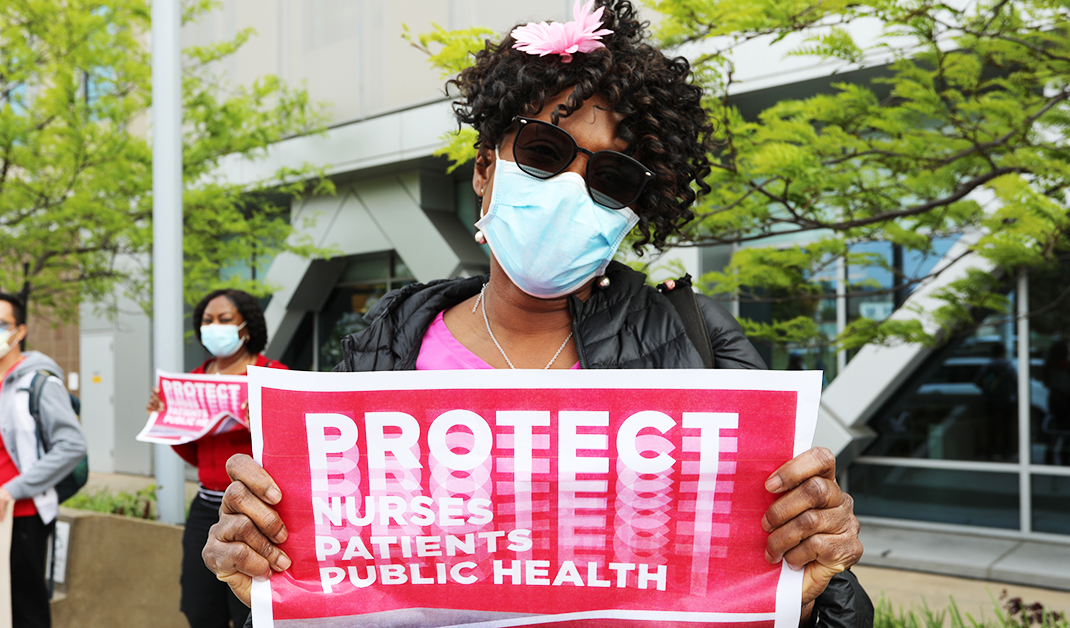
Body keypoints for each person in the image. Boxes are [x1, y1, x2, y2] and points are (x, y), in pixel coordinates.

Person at [202, 2, 870, 626]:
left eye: (611, 180)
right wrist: (256, 567)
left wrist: (818, 575)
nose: (570, 192)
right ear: (485, 169)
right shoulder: (387, 338)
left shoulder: (696, 344)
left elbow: (802, 596)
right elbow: (325, 574)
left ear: (637, 210)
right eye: (545, 153)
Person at [146, 289, 287, 628]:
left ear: (247, 327)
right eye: (208, 321)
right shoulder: (194, 379)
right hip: (205, 508)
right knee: (199, 606)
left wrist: (263, 422)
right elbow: (194, 454)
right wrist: (167, 420)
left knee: (248, 610)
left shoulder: (273, 374)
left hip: (256, 512)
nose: (214, 327)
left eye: (225, 320)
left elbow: (288, 451)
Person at [0, 292, 87, 628]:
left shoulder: (40, 382)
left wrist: (14, 489)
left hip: (21, 516)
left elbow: (71, 445)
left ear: (19, 331)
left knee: (25, 608)